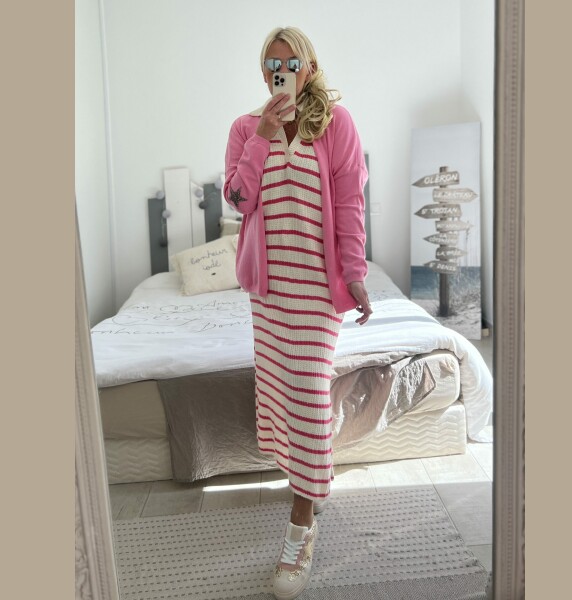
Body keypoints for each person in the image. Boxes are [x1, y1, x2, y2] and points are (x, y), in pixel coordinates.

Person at [223, 26, 372, 600]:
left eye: (291, 62)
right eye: (272, 64)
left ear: (308, 67)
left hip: (315, 292)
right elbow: (239, 201)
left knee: (309, 396)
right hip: (269, 294)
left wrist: (355, 275)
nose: (280, 72)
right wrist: (262, 137)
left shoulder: (337, 124)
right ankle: (307, 484)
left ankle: (300, 527)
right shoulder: (245, 128)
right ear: (263, 72)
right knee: (282, 396)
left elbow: (349, 205)